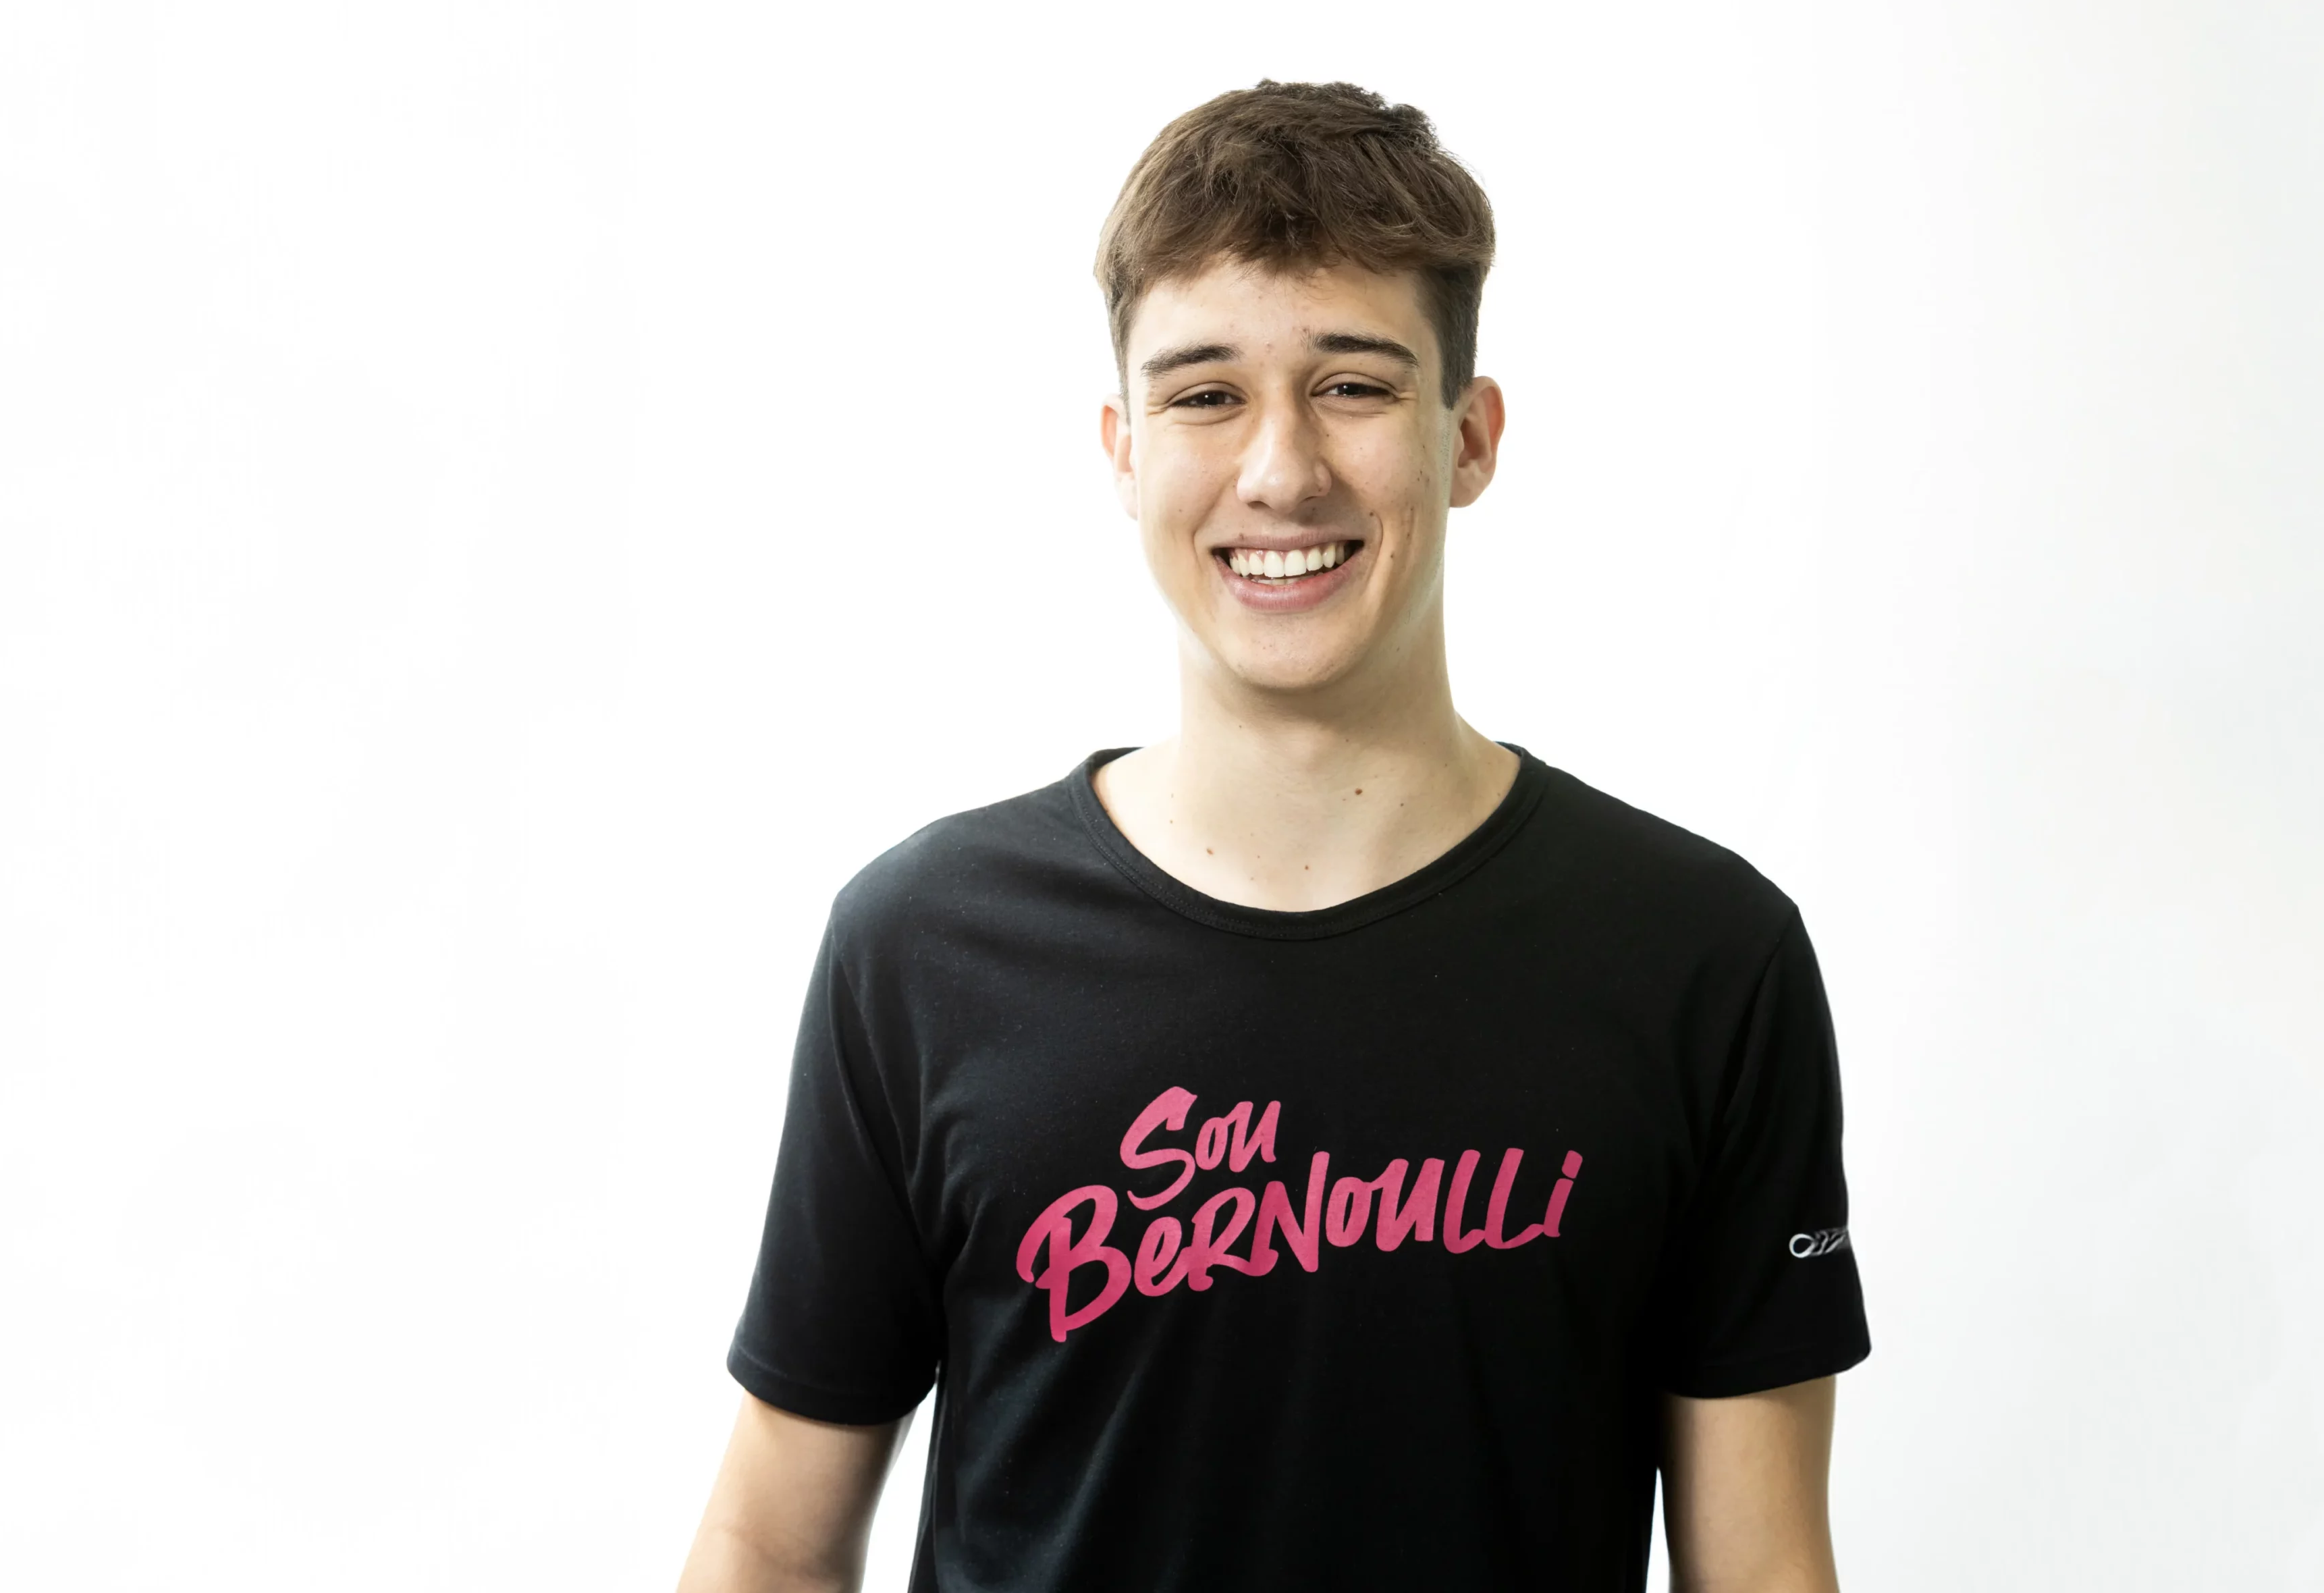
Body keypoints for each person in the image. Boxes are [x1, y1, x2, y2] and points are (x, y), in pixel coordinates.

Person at [676, 80, 1870, 1593]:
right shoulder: (922, 949)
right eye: (1204, 395)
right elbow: (770, 1544)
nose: (1280, 471)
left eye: (1353, 384)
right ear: (1122, 450)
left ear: (1469, 438)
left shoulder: (1699, 960)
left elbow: (1761, 1572)